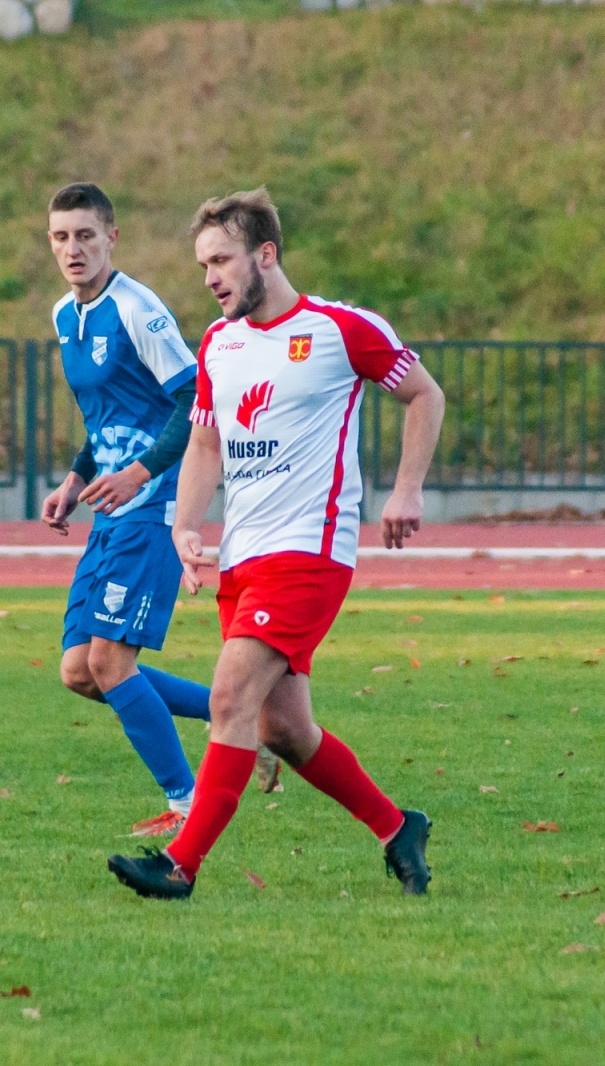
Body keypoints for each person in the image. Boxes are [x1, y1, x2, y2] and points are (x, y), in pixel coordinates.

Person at [107, 188, 446, 898]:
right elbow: (205, 441)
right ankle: (397, 826)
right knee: (285, 729)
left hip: (309, 552)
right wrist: (183, 524)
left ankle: (181, 865)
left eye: (222, 260)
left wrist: (408, 489)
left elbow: (424, 394)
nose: (210, 278)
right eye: (203, 264)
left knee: (228, 696)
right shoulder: (218, 344)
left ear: (265, 254)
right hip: (244, 556)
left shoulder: (338, 329)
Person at [41, 182, 220, 837]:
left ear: (111, 237)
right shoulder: (66, 315)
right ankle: (242, 716)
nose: (73, 249)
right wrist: (75, 477)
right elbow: (112, 415)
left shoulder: (138, 310)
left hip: (153, 505)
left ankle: (187, 804)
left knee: (110, 663)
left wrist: (140, 472)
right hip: (111, 509)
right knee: (78, 670)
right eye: (61, 237)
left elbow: (192, 398)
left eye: (85, 235)